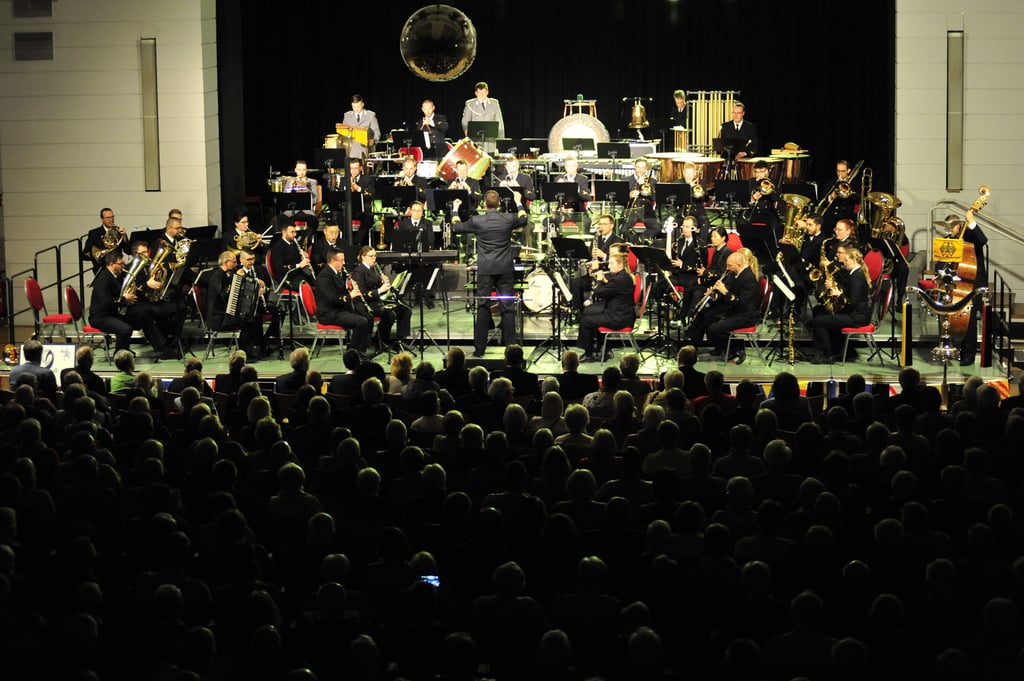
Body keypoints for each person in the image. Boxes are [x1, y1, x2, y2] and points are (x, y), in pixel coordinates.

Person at [452, 189, 527, 357]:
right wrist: (519, 201)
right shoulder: (507, 218)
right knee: (507, 307)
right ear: (500, 203)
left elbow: (456, 226)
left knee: (483, 307)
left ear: (484, 204)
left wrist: (455, 209)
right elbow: (523, 218)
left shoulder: (478, 220)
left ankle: (479, 350)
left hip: (486, 269)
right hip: (505, 268)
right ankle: (510, 349)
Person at [89, 251, 177, 359]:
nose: (123, 266)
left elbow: (122, 294)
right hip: (101, 317)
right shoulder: (103, 279)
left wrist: (129, 297)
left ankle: (162, 349)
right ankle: (120, 357)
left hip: (114, 313)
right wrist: (124, 299)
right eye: (120, 264)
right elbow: (106, 303)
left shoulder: (117, 276)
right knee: (125, 329)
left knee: (144, 316)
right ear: (112, 264)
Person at [687, 250, 759, 364]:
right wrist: (714, 294)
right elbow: (729, 295)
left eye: (729, 265)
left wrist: (725, 291)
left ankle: (737, 348)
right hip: (735, 310)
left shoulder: (748, 278)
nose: (727, 268)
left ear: (738, 265)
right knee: (707, 316)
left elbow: (741, 303)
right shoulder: (736, 273)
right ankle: (721, 347)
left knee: (713, 328)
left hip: (745, 316)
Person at [939, 207, 988, 366]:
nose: (949, 230)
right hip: (956, 284)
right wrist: (941, 271)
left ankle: (969, 355)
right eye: (947, 227)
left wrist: (972, 221)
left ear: (959, 225)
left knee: (969, 320)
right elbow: (941, 260)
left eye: (952, 227)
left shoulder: (970, 235)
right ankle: (956, 349)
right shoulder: (948, 239)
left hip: (973, 283)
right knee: (955, 319)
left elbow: (982, 240)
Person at [807, 246, 872, 364]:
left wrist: (838, 294)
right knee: (820, 314)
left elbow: (852, 302)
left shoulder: (857, 277)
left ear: (854, 260)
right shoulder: (854, 273)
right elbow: (848, 290)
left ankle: (827, 355)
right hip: (854, 313)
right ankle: (838, 350)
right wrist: (834, 286)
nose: (844, 263)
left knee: (819, 321)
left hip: (857, 317)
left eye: (846, 261)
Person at [206, 250, 267, 359]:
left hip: (226, 312)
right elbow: (224, 295)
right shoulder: (217, 276)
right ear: (226, 263)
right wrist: (235, 279)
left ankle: (258, 348)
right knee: (249, 318)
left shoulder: (225, 275)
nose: (236, 264)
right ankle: (245, 353)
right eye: (234, 262)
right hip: (219, 318)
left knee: (255, 315)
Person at [577, 252, 636, 362]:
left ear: (620, 265)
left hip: (618, 318)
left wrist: (599, 280)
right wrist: (603, 280)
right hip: (622, 314)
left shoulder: (619, 280)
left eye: (612, 263)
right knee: (590, 314)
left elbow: (599, 293)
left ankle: (588, 354)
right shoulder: (623, 276)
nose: (608, 266)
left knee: (585, 321)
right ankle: (602, 348)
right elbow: (611, 289)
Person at [350, 246, 412, 348]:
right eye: (371, 256)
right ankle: (380, 341)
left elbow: (375, 284)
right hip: (367, 304)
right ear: (363, 257)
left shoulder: (373, 268)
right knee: (390, 314)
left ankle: (400, 341)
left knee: (405, 310)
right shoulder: (358, 272)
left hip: (377, 301)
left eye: (375, 256)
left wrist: (383, 281)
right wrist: (380, 289)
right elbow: (362, 293)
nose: (374, 258)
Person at [315, 248, 372, 358]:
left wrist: (350, 287)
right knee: (360, 322)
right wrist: (350, 295)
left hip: (339, 309)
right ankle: (352, 354)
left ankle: (361, 349)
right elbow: (332, 299)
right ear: (333, 261)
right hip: (329, 313)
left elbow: (340, 290)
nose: (344, 263)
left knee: (367, 317)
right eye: (341, 261)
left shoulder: (336, 273)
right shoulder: (324, 276)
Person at [571, 214, 625, 311]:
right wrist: (590, 265)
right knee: (576, 282)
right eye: (600, 224)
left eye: (604, 224)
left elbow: (620, 261)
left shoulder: (618, 241)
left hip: (609, 276)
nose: (601, 227)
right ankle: (579, 312)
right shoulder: (596, 239)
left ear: (612, 225)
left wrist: (604, 255)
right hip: (594, 274)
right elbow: (590, 258)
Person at [683, 225, 730, 317]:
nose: (712, 239)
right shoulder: (717, 250)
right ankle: (683, 315)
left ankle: (692, 317)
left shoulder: (727, 253)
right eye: (711, 236)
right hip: (711, 280)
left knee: (697, 293)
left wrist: (705, 273)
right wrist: (704, 273)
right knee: (689, 289)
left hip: (719, 284)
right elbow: (713, 268)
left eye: (715, 236)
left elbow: (722, 273)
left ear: (723, 238)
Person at [742, 159, 781, 257]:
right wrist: (752, 199)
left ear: (767, 172)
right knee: (742, 223)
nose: (759, 174)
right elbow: (743, 201)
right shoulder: (750, 182)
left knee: (775, 226)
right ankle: (748, 250)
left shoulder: (773, 183)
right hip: (753, 212)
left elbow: (778, 200)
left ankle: (774, 253)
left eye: (762, 171)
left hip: (768, 213)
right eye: (757, 172)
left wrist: (770, 189)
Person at [269, 220, 314, 290]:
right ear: (284, 232)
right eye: (292, 232)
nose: (295, 234)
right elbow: (279, 269)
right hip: (286, 278)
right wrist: (299, 265)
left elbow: (295, 259)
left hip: (297, 274)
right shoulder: (277, 247)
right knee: (306, 288)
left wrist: (302, 256)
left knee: (318, 283)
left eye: (295, 232)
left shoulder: (294, 243)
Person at [461, 81, 504, 153]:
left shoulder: (494, 103)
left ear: (487, 92)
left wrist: (501, 141)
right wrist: (467, 135)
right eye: (480, 93)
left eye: (484, 92)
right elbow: (465, 121)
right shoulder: (470, 104)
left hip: (491, 142)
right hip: (476, 142)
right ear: (476, 93)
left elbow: (499, 122)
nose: (482, 95)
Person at [82, 207, 129, 272]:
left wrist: (124, 237)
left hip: (118, 268)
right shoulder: (94, 233)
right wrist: (98, 257)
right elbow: (85, 254)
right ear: (102, 219)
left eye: (112, 217)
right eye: (108, 218)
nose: (111, 220)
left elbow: (128, 251)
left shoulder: (119, 232)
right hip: (101, 268)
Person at [819, 159, 859, 235]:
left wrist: (848, 193)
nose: (840, 174)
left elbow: (858, 202)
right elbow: (822, 203)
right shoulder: (831, 182)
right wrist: (831, 196)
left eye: (843, 171)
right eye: (838, 171)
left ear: (848, 170)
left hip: (846, 218)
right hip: (831, 219)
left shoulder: (855, 184)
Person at [625, 158, 661, 240]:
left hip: (647, 212)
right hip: (631, 211)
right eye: (638, 167)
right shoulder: (627, 180)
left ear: (646, 169)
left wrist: (643, 185)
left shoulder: (652, 181)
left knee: (657, 227)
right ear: (634, 167)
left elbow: (655, 198)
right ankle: (633, 241)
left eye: (643, 168)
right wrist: (630, 194)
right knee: (623, 229)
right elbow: (621, 198)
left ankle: (640, 239)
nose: (640, 170)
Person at [340, 94, 381, 159]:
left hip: (366, 150)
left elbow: (377, 133)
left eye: (358, 106)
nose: (356, 109)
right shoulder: (347, 116)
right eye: (354, 107)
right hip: (351, 151)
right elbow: (343, 134)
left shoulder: (370, 116)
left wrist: (373, 140)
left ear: (362, 104)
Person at [348, 158, 375, 245]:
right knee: (339, 217)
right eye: (351, 168)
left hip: (363, 211)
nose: (353, 171)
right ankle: (346, 241)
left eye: (356, 168)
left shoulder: (368, 180)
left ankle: (356, 242)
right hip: (349, 210)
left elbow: (371, 196)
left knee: (367, 219)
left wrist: (359, 189)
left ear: (361, 168)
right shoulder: (345, 180)